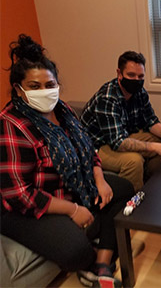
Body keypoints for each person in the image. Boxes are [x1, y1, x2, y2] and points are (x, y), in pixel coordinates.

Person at [0, 34, 134, 288]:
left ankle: (102, 263)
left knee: (124, 189)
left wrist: (100, 179)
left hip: (69, 186)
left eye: (49, 84)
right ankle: (93, 260)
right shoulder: (11, 124)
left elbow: (88, 150)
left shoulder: (64, 111)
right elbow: (18, 194)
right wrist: (72, 210)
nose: (45, 91)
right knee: (73, 250)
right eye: (34, 86)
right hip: (28, 205)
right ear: (18, 89)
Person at [80, 51, 161, 191]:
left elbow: (150, 120)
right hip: (95, 147)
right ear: (119, 74)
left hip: (122, 136)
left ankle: (152, 187)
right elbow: (118, 142)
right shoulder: (108, 98)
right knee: (134, 161)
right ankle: (131, 203)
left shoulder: (140, 92)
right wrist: (154, 147)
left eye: (140, 76)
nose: (136, 80)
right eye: (131, 75)